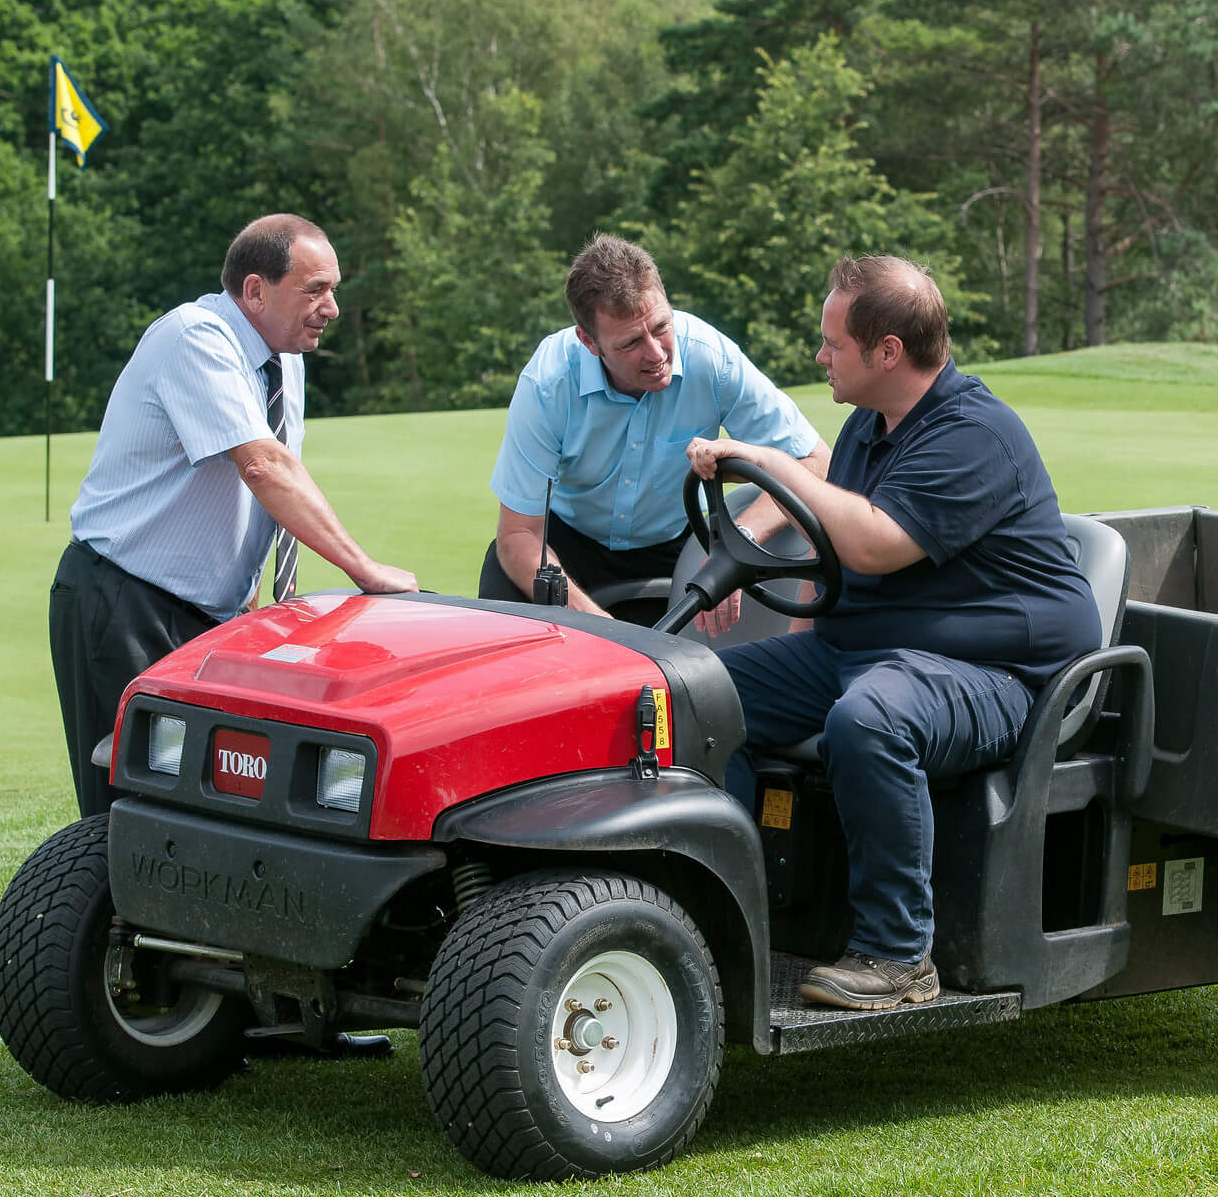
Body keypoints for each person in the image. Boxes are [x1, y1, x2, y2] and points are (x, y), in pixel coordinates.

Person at [685, 256, 1098, 1011]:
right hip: (868, 649)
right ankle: (715, 918)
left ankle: (900, 955)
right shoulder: (867, 429)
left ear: (888, 353)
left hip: (1001, 675)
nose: (820, 357)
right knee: (697, 696)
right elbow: (833, 555)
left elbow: (876, 542)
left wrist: (773, 461)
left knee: (871, 717)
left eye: (833, 343)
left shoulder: (974, 433)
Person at [51, 214, 417, 821]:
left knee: (213, 805)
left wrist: (265, 605)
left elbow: (278, 483)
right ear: (255, 290)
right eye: (315, 290)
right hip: (123, 603)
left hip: (207, 616)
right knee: (129, 809)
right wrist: (365, 570)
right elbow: (263, 468)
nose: (331, 307)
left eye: (334, 288)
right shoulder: (194, 338)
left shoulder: (285, 358)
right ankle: (100, 920)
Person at [479, 235, 829, 623]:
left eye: (661, 326)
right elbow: (518, 536)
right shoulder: (548, 382)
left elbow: (815, 461)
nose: (657, 353)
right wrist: (599, 628)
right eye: (630, 343)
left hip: (676, 550)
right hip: (564, 546)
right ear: (588, 341)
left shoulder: (711, 358)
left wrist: (739, 539)